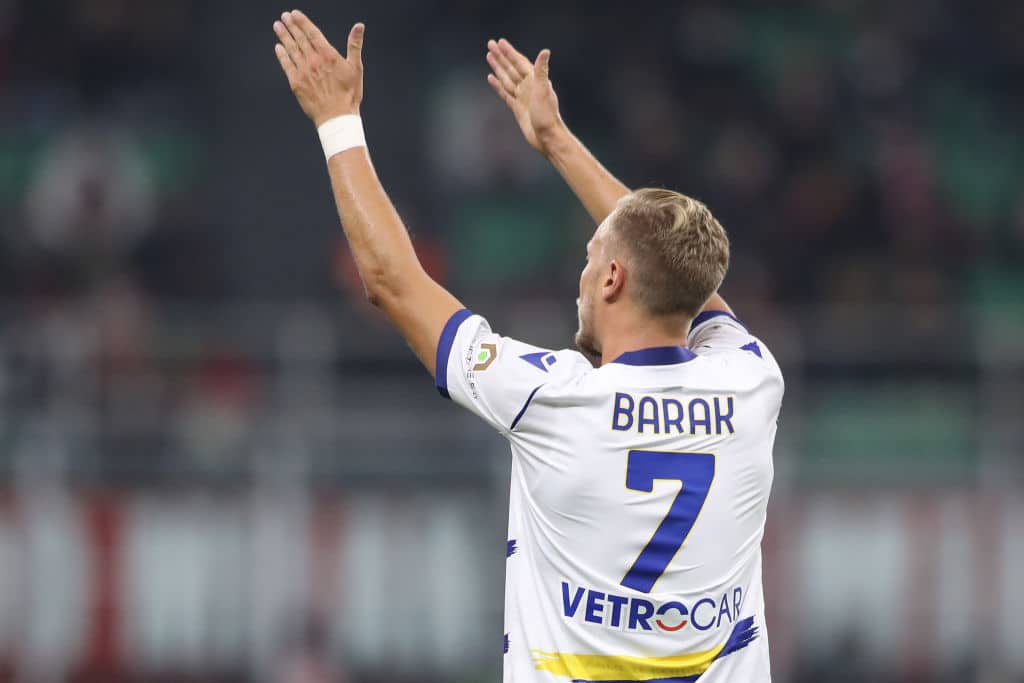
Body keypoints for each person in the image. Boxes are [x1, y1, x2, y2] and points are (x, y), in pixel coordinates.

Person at [272, 12, 783, 682]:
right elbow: (687, 277)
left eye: (592, 251)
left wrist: (337, 121)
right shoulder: (751, 384)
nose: (581, 267)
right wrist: (559, 142)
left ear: (611, 278)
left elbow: (391, 281)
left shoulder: (551, 400)